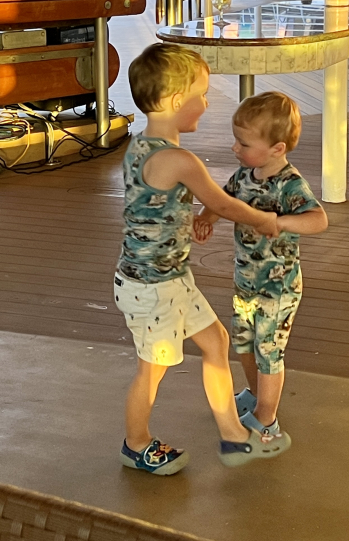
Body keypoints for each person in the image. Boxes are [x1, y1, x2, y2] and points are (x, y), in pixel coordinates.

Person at [114, 43, 288, 475]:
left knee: (216, 342)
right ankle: (135, 444)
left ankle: (232, 435)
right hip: (151, 287)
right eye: (202, 95)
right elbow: (224, 203)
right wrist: (265, 219)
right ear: (177, 102)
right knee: (152, 370)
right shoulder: (179, 159)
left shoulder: (141, 146)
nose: (207, 104)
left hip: (170, 277)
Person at [193, 92, 327, 442]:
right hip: (246, 281)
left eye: (244, 143)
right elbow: (224, 200)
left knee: (268, 349)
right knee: (243, 342)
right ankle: (256, 395)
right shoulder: (244, 175)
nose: (236, 148)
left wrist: (280, 222)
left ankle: (267, 418)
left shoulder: (290, 184)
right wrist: (207, 216)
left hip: (278, 287)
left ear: (277, 149)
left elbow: (318, 220)